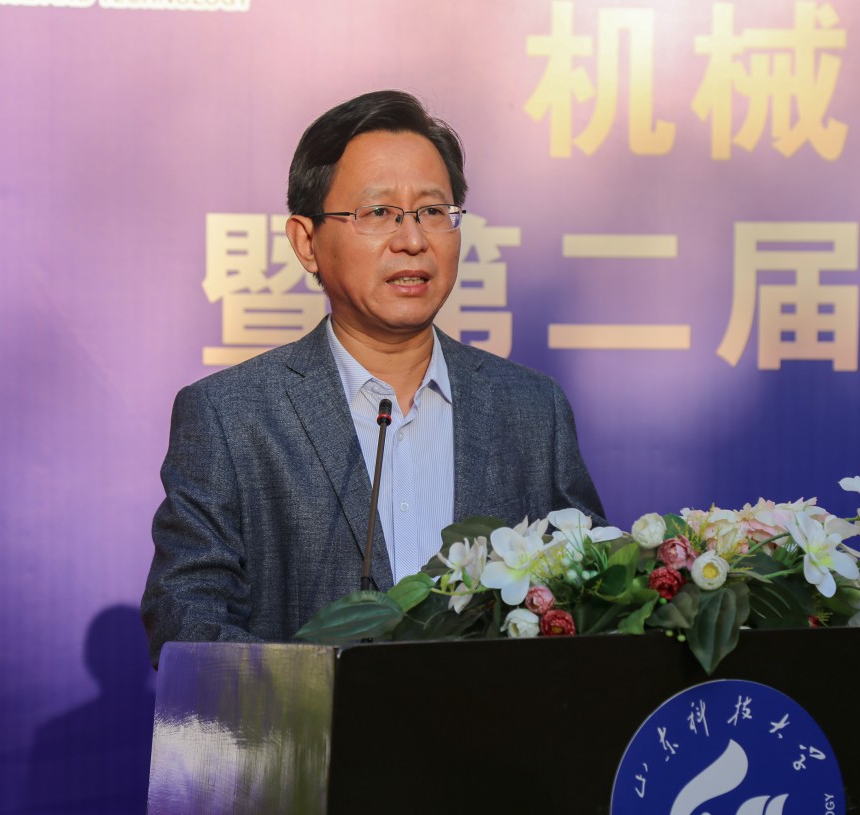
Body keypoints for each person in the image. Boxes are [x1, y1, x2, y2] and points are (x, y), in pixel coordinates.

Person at [140, 91, 604, 665]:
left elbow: (591, 600)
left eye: (433, 212)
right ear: (306, 241)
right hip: (314, 725)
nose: (412, 240)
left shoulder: (531, 410)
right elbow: (189, 622)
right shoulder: (231, 417)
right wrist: (337, 691)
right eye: (378, 212)